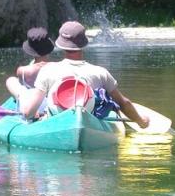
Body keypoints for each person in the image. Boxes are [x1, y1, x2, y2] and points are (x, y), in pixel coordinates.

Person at [19, 21, 150, 128]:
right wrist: (141, 121)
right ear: (83, 44)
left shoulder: (48, 70)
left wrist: (30, 114)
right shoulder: (100, 73)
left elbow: (28, 112)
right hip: (89, 124)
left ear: (61, 44)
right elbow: (123, 103)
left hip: (55, 123)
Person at [6, 27, 54, 101]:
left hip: (32, 101)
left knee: (11, 80)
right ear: (48, 49)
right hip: (49, 101)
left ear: (30, 49)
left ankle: (22, 100)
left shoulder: (22, 71)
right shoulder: (57, 67)